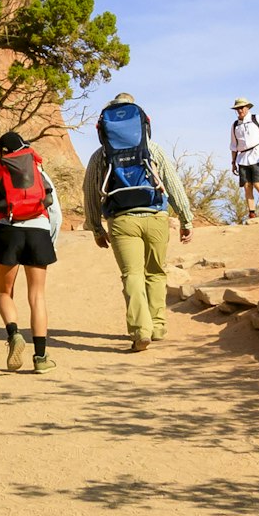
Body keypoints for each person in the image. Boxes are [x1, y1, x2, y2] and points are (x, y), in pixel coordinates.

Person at [82, 94, 193, 352]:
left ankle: (140, 331)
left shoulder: (101, 155)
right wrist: (186, 218)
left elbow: (90, 192)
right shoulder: (153, 150)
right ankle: (158, 326)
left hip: (122, 220)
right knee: (156, 271)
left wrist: (96, 228)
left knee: (131, 274)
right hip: (155, 216)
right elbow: (174, 185)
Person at [0, 132, 62, 374]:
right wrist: (49, 241)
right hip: (38, 231)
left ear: (1, 151)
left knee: (5, 292)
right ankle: (41, 357)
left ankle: (14, 335)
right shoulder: (37, 170)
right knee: (37, 296)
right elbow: (55, 213)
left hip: (6, 232)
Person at [229, 97, 259, 218]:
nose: (240, 110)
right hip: (243, 158)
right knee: (247, 186)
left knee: (258, 184)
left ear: (247, 108)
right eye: (238, 108)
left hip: (258, 155)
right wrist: (233, 162)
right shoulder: (235, 125)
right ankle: (252, 212)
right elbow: (234, 146)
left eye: (242, 107)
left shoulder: (257, 119)